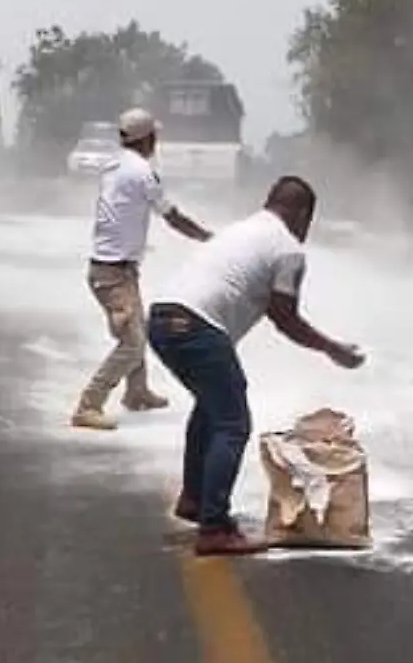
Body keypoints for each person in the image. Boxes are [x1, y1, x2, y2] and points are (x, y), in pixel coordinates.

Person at [145, 176, 365, 556]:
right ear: (301, 213)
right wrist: (333, 349)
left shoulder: (240, 230)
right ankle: (214, 529)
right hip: (198, 325)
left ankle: (195, 500)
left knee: (211, 407)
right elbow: (284, 317)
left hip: (162, 318)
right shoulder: (288, 249)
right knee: (233, 423)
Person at [71, 107, 214, 431]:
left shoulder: (114, 164)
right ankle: (88, 405)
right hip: (113, 273)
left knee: (137, 326)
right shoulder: (142, 173)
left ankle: (137, 393)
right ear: (148, 138)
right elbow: (172, 216)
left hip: (113, 268)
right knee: (132, 342)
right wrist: (207, 238)